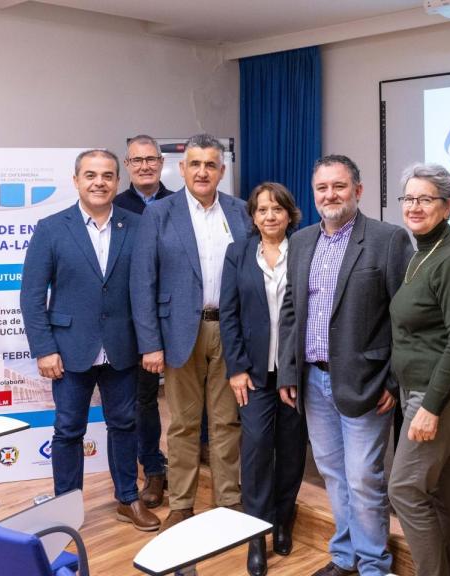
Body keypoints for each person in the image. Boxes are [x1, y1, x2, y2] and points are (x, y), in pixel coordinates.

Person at [277, 155, 413, 576]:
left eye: (339, 186)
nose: (330, 195)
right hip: (312, 379)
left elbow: (405, 318)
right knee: (333, 474)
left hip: (366, 382)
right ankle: (345, 556)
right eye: (322, 188)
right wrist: (288, 371)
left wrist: (393, 379)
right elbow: (290, 309)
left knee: (363, 478)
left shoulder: (388, 240)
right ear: (313, 194)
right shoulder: (301, 241)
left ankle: (373, 565)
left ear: (358, 190)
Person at [21, 149, 160, 531]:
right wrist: (45, 349)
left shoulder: (138, 226)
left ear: (118, 181)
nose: (99, 182)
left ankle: (127, 499)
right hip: (68, 350)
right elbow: (32, 296)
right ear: (76, 180)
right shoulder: (51, 228)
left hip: (122, 347)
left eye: (107, 176)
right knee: (68, 429)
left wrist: (149, 341)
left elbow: (146, 288)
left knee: (124, 425)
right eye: (91, 175)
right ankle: (66, 508)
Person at [130, 133, 252, 531]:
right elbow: (143, 282)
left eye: (210, 165)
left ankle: (228, 500)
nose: (202, 172)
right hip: (179, 332)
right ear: (182, 169)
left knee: (227, 421)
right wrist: (150, 343)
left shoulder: (240, 212)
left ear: (222, 170)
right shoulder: (159, 214)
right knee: (183, 423)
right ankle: (182, 504)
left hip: (229, 330)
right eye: (195, 164)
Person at [388, 163, 450, 576]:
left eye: (425, 199)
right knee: (444, 493)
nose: (414, 206)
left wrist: (431, 406)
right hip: (417, 389)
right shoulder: (422, 252)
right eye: (409, 198)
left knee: (405, 490)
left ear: (448, 206)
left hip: (438, 394)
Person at [220, 182, 308, 576]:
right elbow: (229, 314)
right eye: (261, 210)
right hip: (254, 374)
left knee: (291, 451)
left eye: (277, 209)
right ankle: (256, 534)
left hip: (295, 373)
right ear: (252, 217)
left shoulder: (305, 251)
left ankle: (284, 519)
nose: (269, 216)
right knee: (255, 451)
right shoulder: (237, 253)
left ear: (289, 214)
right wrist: (236, 368)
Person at [113, 134, 173, 509]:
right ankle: (153, 468)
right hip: (132, 322)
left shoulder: (179, 204)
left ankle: (199, 455)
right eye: (137, 160)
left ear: (162, 163)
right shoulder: (115, 206)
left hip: (177, 318)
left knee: (193, 399)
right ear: (127, 165)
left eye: (151, 159)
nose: (145, 166)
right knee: (143, 399)